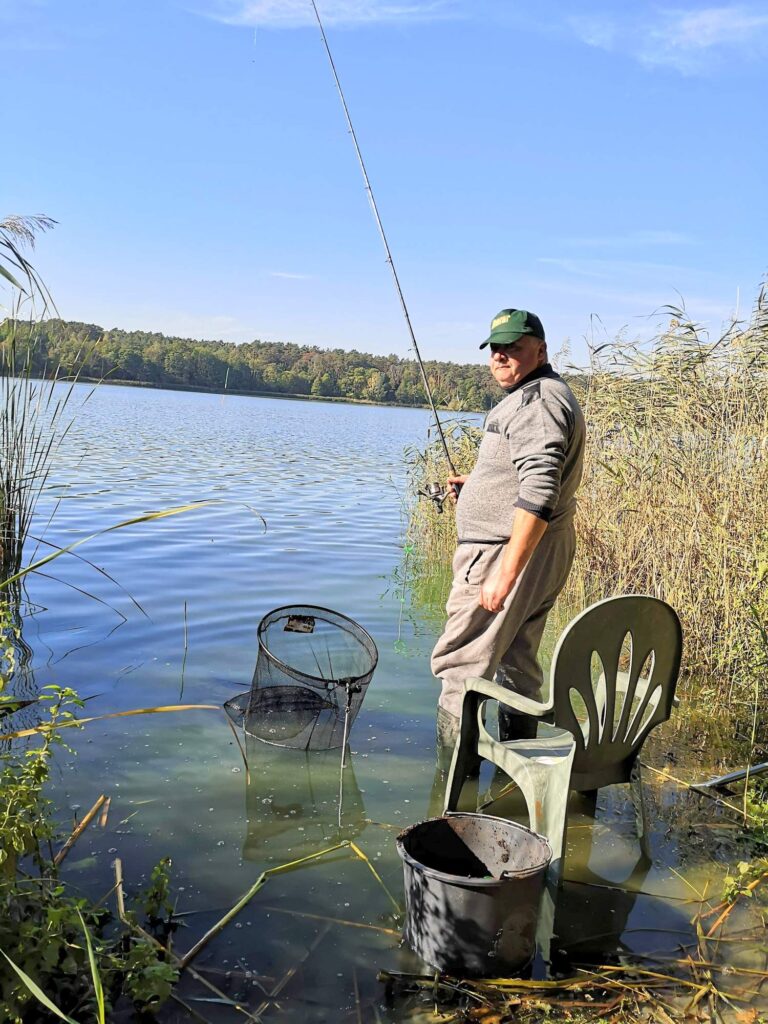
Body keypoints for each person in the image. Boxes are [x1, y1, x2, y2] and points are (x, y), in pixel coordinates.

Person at [431, 308, 586, 753]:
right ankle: (515, 779)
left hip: (505, 554)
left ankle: (451, 789)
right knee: (517, 663)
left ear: (540, 348)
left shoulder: (538, 402)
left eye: (513, 348)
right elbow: (530, 475)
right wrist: (477, 485)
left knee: (461, 665)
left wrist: (505, 573)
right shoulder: (540, 395)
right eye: (495, 349)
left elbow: (541, 488)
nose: (501, 357)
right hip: (532, 550)